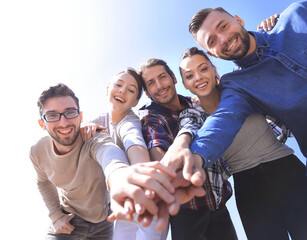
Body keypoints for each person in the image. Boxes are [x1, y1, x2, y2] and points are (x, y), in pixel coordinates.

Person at [164, 46, 307, 240]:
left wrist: (267, 27)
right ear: (185, 84)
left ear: (214, 70)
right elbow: (186, 129)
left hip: (289, 172)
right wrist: (180, 145)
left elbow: (261, 57)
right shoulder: (192, 114)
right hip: (249, 190)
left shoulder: (240, 88)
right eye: (190, 76)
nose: (198, 78)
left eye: (203, 69)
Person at [30, 83, 177, 239]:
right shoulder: (38, 152)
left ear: (80, 116)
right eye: (52, 115)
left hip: (103, 221)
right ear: (42, 123)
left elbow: (109, 152)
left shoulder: (94, 138)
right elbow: (42, 182)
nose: (63, 122)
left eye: (70, 112)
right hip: (69, 219)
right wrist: (55, 215)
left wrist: (119, 175)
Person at [185, 1, 307, 172]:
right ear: (213, 54)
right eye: (212, 41)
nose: (224, 39)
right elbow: (223, 120)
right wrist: (195, 157)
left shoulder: (298, 13)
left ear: (239, 20)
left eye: (224, 26)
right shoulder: (237, 85)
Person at [138, 58, 237, 240]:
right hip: (186, 213)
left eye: (162, 77)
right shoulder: (151, 117)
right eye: (151, 83)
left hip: (218, 205)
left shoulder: (195, 104)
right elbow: (157, 148)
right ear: (146, 91)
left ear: (174, 78)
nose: (159, 85)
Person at [82, 68, 165, 240]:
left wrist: (142, 175)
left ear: (135, 102)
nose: (122, 90)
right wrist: (84, 124)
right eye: (118, 85)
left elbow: (133, 141)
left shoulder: (130, 121)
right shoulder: (101, 120)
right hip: (124, 202)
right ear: (107, 89)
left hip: (146, 198)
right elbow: (80, 126)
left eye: (131, 90)